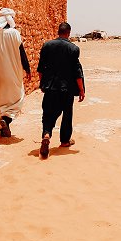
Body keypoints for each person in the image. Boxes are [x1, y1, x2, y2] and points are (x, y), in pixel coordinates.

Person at [37, 21, 85, 158]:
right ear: (68, 33)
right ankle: (65, 141)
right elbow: (77, 73)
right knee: (67, 114)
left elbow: (41, 69)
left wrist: (43, 84)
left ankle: (46, 134)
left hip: (50, 88)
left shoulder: (47, 46)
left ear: (58, 32)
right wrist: (81, 90)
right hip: (67, 89)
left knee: (48, 113)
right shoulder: (74, 49)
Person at [0, 8, 31, 137]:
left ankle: (3, 127)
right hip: (12, 74)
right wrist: (27, 69)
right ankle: (7, 120)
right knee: (17, 99)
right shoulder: (14, 33)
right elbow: (22, 53)